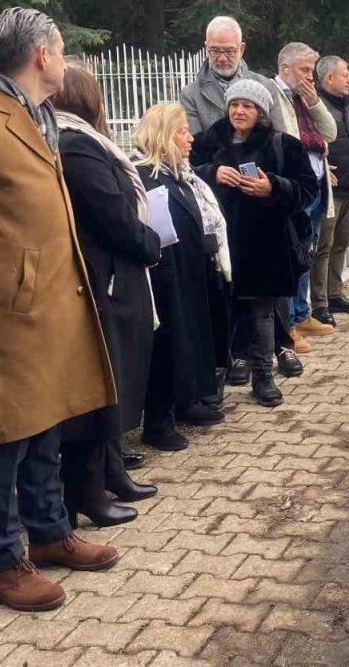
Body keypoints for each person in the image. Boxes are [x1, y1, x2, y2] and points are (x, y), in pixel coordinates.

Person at [0, 7, 119, 613]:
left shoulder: (37, 116)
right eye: (60, 50)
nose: (64, 61)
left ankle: (50, 532)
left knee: (45, 429)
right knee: (2, 439)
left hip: (48, 307)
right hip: (4, 313)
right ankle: (2, 564)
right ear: (41, 56)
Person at [51, 65, 161, 530]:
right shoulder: (75, 146)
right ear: (87, 99)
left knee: (113, 381)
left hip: (112, 273)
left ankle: (111, 472)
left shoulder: (83, 142)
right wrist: (149, 242)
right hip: (102, 276)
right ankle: (87, 492)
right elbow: (113, 214)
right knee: (102, 385)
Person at [193, 81, 319, 407]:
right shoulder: (207, 142)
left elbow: (308, 189)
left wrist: (273, 188)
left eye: (247, 106)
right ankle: (223, 372)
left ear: (261, 111)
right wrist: (211, 173)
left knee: (262, 311)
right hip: (220, 243)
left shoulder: (283, 145)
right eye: (234, 104)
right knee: (222, 311)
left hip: (266, 244)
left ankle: (263, 376)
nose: (239, 111)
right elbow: (185, 175)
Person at [131, 104, 221, 450]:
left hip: (189, 270)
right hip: (166, 276)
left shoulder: (178, 173)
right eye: (183, 131)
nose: (191, 138)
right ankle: (157, 422)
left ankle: (186, 402)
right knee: (169, 346)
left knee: (189, 341)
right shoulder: (148, 175)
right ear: (165, 136)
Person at [271, 43, 337, 352]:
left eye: (311, 70)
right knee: (289, 257)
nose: (310, 77)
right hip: (291, 189)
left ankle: (301, 313)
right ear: (285, 69)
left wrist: (314, 103)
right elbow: (288, 139)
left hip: (315, 187)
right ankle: (287, 327)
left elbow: (330, 133)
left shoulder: (305, 98)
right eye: (304, 70)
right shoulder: (274, 94)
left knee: (305, 254)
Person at [311, 55, 349, 326]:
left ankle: (335, 293)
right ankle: (318, 302)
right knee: (324, 245)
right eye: (344, 75)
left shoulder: (345, 105)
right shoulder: (316, 106)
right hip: (329, 188)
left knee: (341, 243)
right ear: (329, 77)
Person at [181, 16, 283, 135]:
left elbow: (282, 141)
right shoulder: (190, 95)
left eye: (229, 51)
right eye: (215, 51)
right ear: (206, 48)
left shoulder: (266, 86)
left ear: (242, 49)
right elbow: (194, 147)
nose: (222, 58)